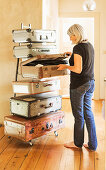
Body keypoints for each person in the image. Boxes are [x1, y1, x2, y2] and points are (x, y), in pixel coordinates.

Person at [57, 24, 97, 151]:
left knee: (78, 115)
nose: (70, 38)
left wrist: (65, 66)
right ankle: (92, 145)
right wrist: (72, 55)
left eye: (71, 35)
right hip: (90, 83)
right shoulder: (89, 45)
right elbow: (84, 61)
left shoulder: (78, 48)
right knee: (88, 114)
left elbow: (78, 69)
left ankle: (77, 143)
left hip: (79, 85)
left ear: (77, 34)